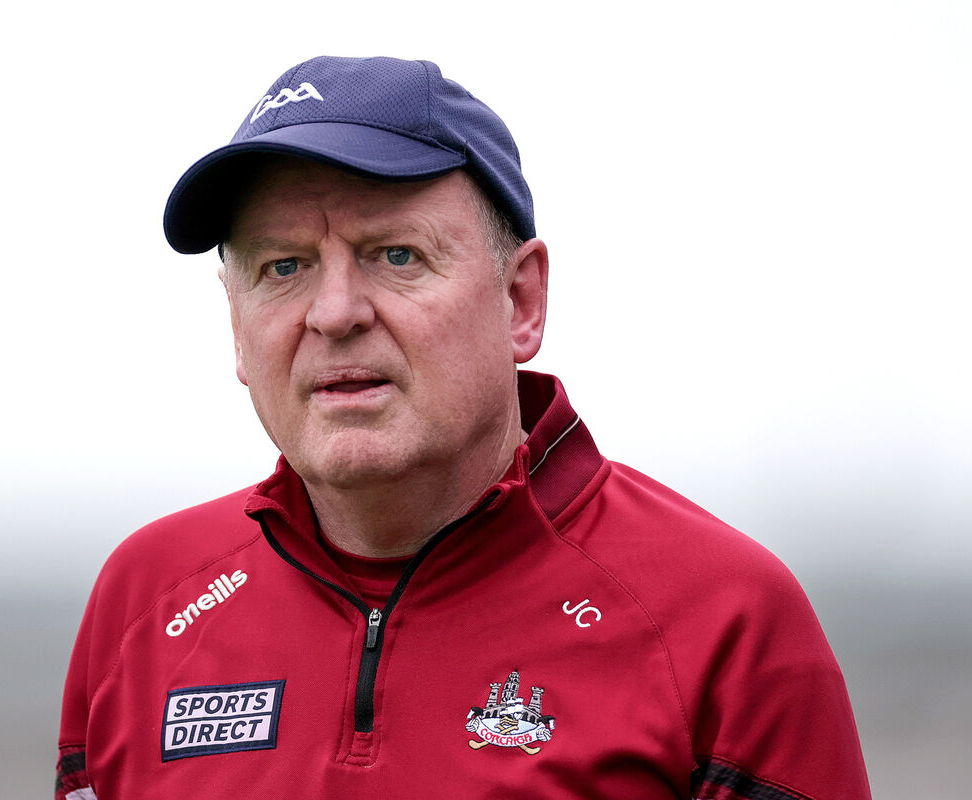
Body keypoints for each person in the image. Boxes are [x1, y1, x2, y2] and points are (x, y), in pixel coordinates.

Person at [56, 56, 870, 800]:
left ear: (521, 302)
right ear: (237, 327)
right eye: (284, 267)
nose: (335, 313)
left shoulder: (722, 618)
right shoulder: (144, 602)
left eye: (396, 254)